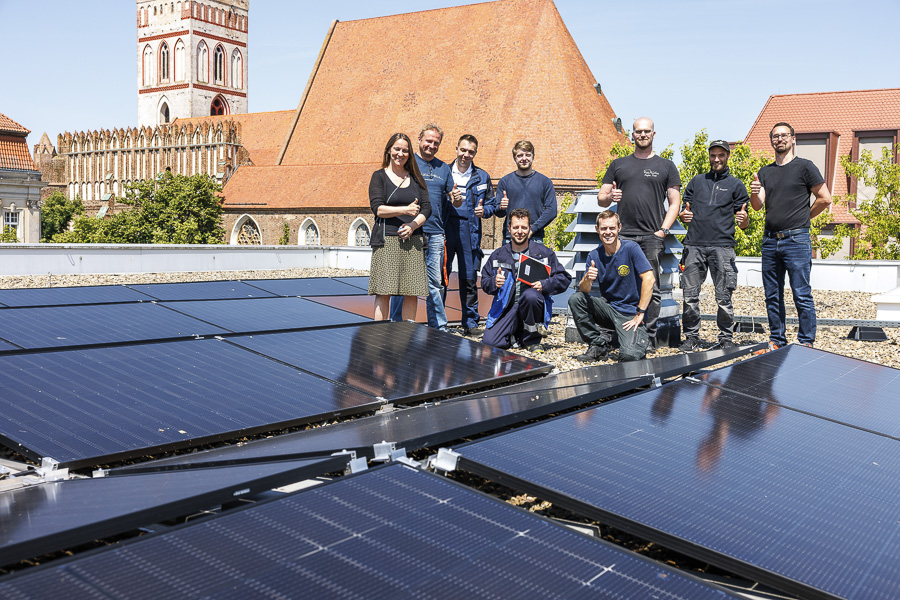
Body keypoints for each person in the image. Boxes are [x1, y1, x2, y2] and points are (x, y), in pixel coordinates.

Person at [597, 117, 681, 350]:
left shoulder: (666, 166)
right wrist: (609, 198)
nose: (642, 135)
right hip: (622, 237)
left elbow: (675, 203)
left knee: (651, 288)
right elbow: (601, 197)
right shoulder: (619, 164)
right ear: (632, 135)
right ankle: (617, 336)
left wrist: (662, 231)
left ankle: (649, 337)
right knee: (618, 285)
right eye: (638, 132)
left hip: (651, 238)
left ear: (654, 134)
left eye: (646, 131)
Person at [750, 122, 832, 352]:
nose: (780, 139)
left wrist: (805, 217)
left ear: (793, 139)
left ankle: (806, 342)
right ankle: (777, 340)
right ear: (771, 141)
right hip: (770, 241)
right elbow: (757, 206)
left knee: (801, 293)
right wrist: (755, 193)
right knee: (772, 295)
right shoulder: (765, 172)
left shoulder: (805, 167)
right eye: (775, 136)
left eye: (784, 135)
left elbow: (825, 198)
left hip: (796, 240)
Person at [678, 139, 750, 352]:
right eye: (713, 155)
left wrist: (744, 219)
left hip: (723, 246)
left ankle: (726, 338)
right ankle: (691, 338)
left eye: (721, 155)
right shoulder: (696, 182)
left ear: (728, 156)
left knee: (724, 297)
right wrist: (684, 215)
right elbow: (685, 212)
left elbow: (744, 222)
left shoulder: (736, 185)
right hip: (694, 245)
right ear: (709, 157)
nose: (716, 159)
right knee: (689, 295)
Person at [390, 124, 462, 330]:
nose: (431, 145)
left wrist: (457, 199)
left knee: (435, 285)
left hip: (436, 233)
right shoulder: (407, 163)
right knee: (403, 284)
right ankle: (396, 325)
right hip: (410, 232)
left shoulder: (444, 168)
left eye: (436, 142)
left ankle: (438, 327)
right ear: (419, 139)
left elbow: (454, 201)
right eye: (428, 141)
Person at [568, 210, 654, 362]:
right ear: (597, 230)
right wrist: (587, 279)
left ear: (619, 228)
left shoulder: (631, 248)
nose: (608, 232)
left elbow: (649, 279)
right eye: (604, 228)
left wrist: (640, 313)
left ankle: (637, 342)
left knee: (629, 356)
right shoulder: (594, 255)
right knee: (576, 299)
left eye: (612, 228)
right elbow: (584, 291)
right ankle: (598, 346)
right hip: (608, 310)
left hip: (630, 314)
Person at [481, 208, 571, 351]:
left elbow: (564, 278)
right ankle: (516, 335)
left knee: (530, 296)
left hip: (531, 305)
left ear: (529, 229)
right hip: (506, 308)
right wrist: (494, 282)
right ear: (509, 228)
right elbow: (484, 280)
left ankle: (532, 340)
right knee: (490, 343)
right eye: (516, 227)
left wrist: (545, 284)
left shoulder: (543, 254)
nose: (520, 231)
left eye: (524, 227)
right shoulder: (498, 255)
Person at [367, 132, 431, 321]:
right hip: (386, 240)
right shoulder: (379, 177)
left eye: (405, 150)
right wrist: (405, 209)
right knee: (383, 290)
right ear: (389, 150)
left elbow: (427, 208)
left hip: (413, 240)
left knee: (411, 291)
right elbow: (377, 209)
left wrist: (412, 225)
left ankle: (407, 334)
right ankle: (379, 333)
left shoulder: (416, 178)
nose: (400, 154)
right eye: (397, 149)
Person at [446, 134, 495, 336]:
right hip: (447, 228)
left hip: (470, 231)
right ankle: (438, 322)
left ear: (475, 153)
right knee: (442, 277)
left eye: (471, 152)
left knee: (468, 278)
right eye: (463, 150)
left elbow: (492, 204)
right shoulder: (444, 172)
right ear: (456, 149)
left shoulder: (482, 176)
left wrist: (485, 211)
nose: (466, 155)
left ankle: (471, 322)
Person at [494, 140, 557, 244]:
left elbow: (552, 210)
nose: (524, 158)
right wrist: (501, 207)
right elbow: (498, 213)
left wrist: (532, 229)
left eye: (527, 155)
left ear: (533, 156)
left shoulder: (544, 182)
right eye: (520, 155)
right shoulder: (505, 182)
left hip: (535, 238)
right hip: (510, 239)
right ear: (514, 158)